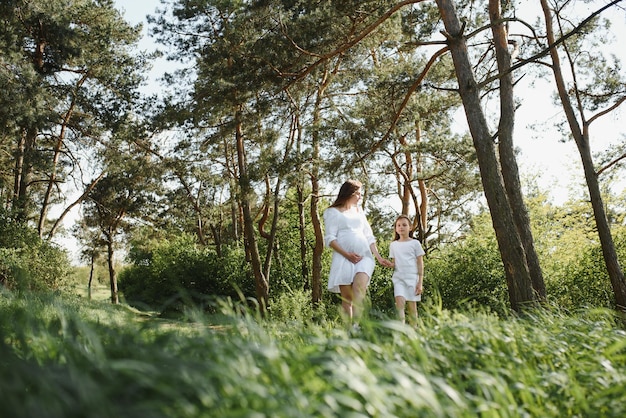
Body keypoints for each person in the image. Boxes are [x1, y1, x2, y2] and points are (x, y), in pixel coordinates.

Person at [323, 179, 391, 324]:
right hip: (343, 258)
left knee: (359, 289)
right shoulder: (332, 212)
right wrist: (347, 255)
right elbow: (330, 238)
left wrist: (378, 257)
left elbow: (368, 235)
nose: (360, 197)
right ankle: (350, 331)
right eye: (358, 194)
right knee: (347, 299)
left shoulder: (359, 211)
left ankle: (358, 326)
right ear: (350, 193)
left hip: (364, 257)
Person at [388, 214, 425, 324]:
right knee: (399, 305)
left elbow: (420, 263)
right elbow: (394, 264)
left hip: (412, 279)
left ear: (410, 227)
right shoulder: (393, 245)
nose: (401, 227)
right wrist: (388, 264)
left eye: (404, 225)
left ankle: (413, 332)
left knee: (412, 308)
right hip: (398, 279)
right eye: (398, 225)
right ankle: (401, 331)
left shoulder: (415, 243)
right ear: (395, 228)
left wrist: (420, 283)